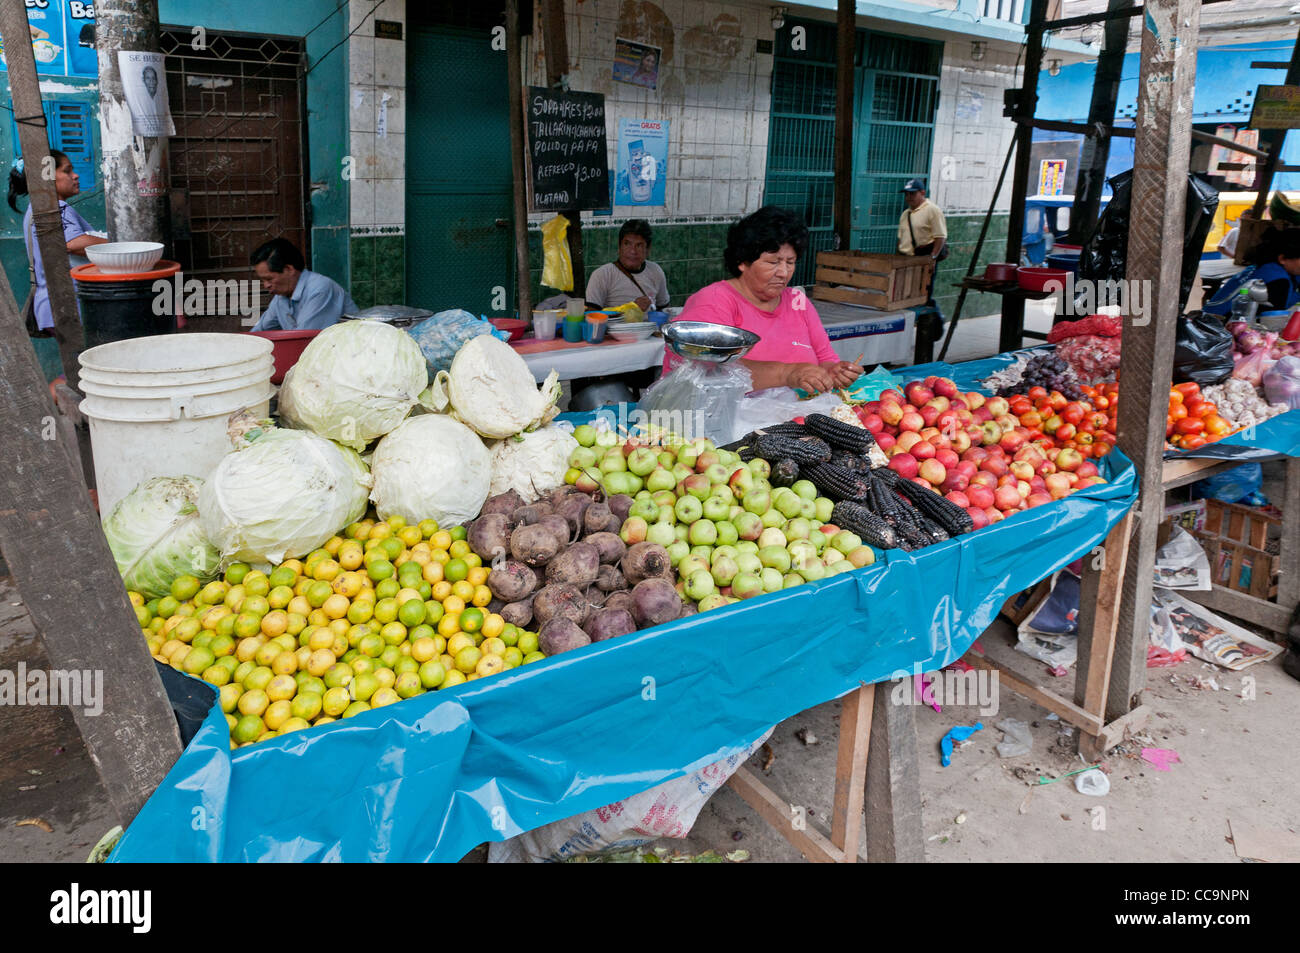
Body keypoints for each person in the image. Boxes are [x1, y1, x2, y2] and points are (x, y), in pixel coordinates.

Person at [664, 206, 861, 393]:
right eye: (773, 262)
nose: (783, 273)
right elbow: (709, 372)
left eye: (790, 262)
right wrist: (787, 374)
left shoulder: (797, 301)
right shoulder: (714, 300)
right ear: (743, 261)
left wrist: (833, 372)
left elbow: (825, 358)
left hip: (794, 416)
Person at [7, 151, 108, 334]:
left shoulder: (35, 210)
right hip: (67, 302)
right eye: (67, 171)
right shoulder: (55, 209)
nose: (75, 175)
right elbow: (74, 243)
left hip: (51, 304)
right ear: (48, 179)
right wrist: (119, 244)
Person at [248, 238, 357, 331]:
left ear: (289, 269)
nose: (266, 285)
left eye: (269, 279)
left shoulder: (320, 289)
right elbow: (259, 332)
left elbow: (304, 339)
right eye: (263, 280)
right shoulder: (281, 297)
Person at [1203, 227, 1300, 316]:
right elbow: (1273, 318)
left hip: (1206, 319)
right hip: (1219, 327)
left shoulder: (1264, 267)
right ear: (1282, 258)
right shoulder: (1277, 280)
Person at [584, 219, 670, 314]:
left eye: (639, 245)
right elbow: (591, 316)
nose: (632, 251)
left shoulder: (656, 271)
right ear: (619, 247)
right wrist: (631, 308)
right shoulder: (602, 275)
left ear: (648, 249)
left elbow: (663, 310)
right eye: (627, 244)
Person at [896, 178, 946, 304]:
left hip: (922, 260)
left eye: (912, 193)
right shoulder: (905, 214)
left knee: (922, 295)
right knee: (903, 294)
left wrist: (932, 258)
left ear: (922, 193)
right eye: (907, 194)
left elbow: (940, 237)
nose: (909, 197)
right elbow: (901, 238)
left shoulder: (932, 210)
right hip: (905, 260)